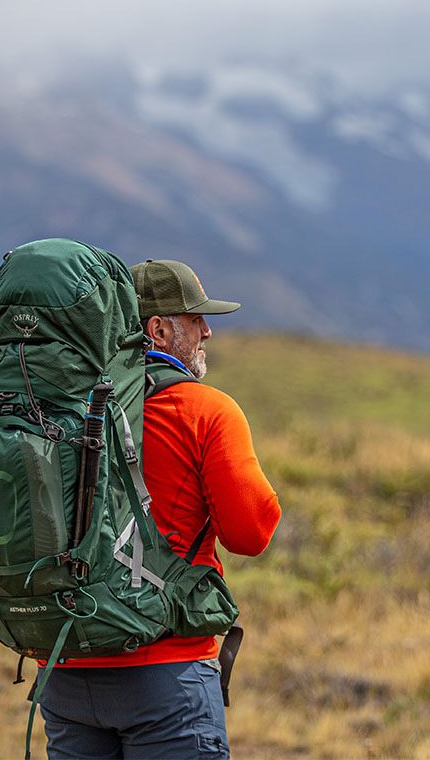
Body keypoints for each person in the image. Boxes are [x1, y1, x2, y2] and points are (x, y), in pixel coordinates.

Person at [38, 259, 281, 759]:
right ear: (160, 330)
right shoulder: (207, 411)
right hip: (165, 671)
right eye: (196, 320)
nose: (207, 331)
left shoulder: (65, 409)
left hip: (65, 669)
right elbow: (251, 535)